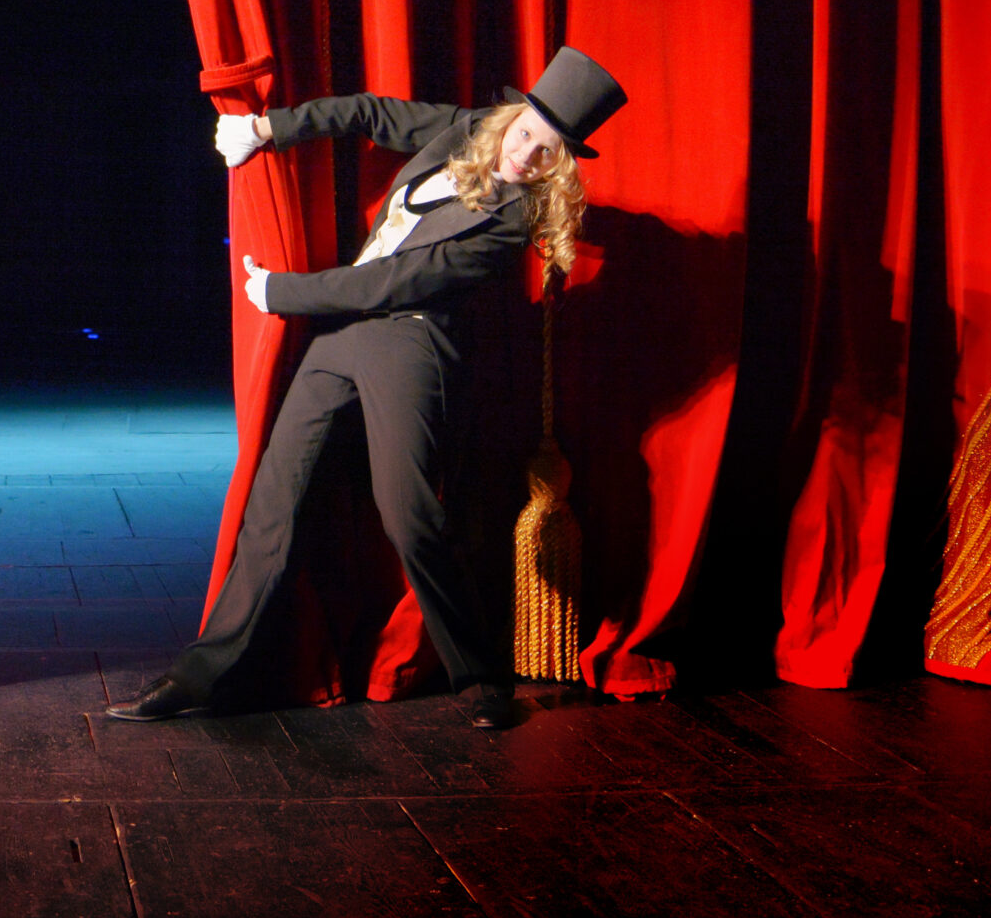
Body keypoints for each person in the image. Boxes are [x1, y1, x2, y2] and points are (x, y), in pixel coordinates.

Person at [108, 46, 624, 732]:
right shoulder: (468, 130)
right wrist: (270, 129)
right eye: (526, 133)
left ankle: (477, 673)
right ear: (512, 118)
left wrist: (280, 293)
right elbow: (370, 113)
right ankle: (199, 675)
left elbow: (394, 281)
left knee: (408, 514)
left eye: (546, 153)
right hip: (344, 333)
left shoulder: (508, 224)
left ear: (558, 168)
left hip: (410, 343)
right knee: (275, 498)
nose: (524, 155)